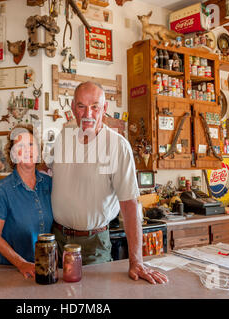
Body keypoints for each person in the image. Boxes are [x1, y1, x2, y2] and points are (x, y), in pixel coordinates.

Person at [48, 81, 168, 285]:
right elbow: (49, 171)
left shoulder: (118, 146)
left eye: (95, 106)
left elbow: (130, 206)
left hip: (92, 245)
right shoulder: (63, 137)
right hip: (56, 241)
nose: (88, 114)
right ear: (72, 109)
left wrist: (136, 261)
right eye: (81, 106)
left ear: (105, 109)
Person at [0, 124, 53, 279]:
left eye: (31, 144)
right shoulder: (1, 190)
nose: (27, 150)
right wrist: (21, 263)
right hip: (9, 272)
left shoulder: (49, 184)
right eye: (20, 146)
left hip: (43, 269)